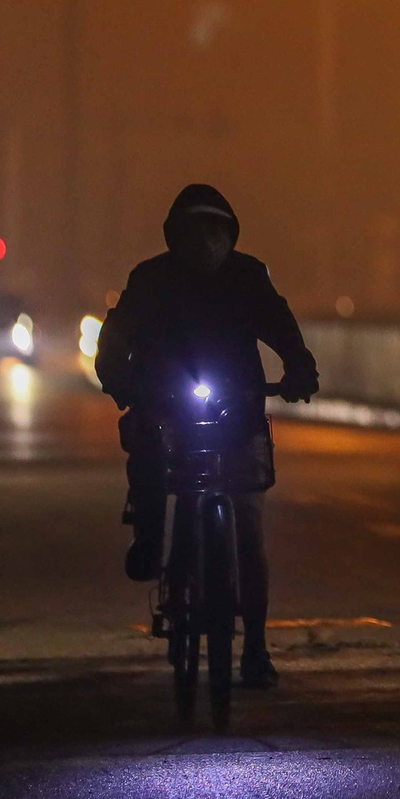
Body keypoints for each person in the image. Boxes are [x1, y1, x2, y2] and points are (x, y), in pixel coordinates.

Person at [95, 183, 319, 689]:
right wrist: (118, 378)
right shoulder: (150, 280)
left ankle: (257, 647)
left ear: (230, 237)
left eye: (215, 233)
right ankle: (150, 541)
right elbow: (117, 337)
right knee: (149, 462)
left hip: (236, 411)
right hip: (165, 410)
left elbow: (281, 326)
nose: (205, 245)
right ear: (175, 238)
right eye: (194, 234)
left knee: (249, 526)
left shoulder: (247, 277)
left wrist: (300, 366)